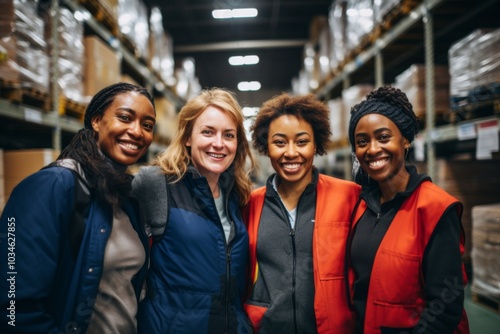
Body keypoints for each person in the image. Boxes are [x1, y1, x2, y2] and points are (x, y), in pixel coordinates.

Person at [0, 82, 156, 333]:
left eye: (147, 125)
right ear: (96, 120)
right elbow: (12, 307)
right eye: (125, 117)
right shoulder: (51, 186)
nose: (137, 131)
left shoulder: (128, 199)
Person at [347, 85, 469, 334]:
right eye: (362, 142)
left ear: (405, 140)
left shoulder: (434, 208)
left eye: (383, 137)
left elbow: (446, 306)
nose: (372, 149)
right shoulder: (360, 207)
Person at [132, 88, 255, 333]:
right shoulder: (156, 184)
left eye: (228, 135)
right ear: (188, 137)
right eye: (207, 132)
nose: (218, 144)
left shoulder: (238, 195)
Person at [244, 93, 361, 333]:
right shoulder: (250, 204)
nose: (290, 153)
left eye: (301, 141)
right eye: (279, 142)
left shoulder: (349, 197)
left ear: (316, 144)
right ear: (266, 146)